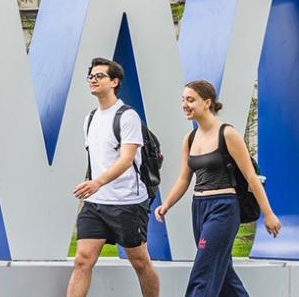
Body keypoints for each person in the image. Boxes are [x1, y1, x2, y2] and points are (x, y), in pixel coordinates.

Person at [154, 80, 280, 297]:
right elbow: (184, 179)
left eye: (190, 100)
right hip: (199, 208)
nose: (185, 104)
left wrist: (268, 214)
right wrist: (166, 204)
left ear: (207, 102)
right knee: (223, 274)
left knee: (203, 270)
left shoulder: (227, 134)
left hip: (223, 208)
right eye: (183, 100)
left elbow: (251, 177)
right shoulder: (190, 138)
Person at [66, 57, 160, 297]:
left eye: (100, 76)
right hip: (96, 203)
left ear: (114, 81)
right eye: (91, 76)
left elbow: (126, 159)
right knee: (82, 260)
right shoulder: (89, 119)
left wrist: (97, 182)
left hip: (127, 202)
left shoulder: (127, 116)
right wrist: (94, 185)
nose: (93, 80)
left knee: (140, 262)